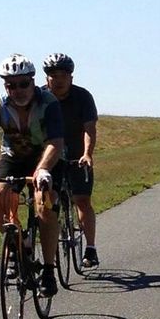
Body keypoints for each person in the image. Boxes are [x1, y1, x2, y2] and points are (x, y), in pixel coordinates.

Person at [0, 54, 65, 294]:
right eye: (11, 85)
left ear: (32, 81)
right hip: (14, 158)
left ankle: (49, 269)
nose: (18, 90)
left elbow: (56, 141)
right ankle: (19, 246)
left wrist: (43, 169)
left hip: (46, 157)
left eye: (23, 84)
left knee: (45, 205)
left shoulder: (48, 102)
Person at [42, 52, 101, 268]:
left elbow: (89, 129)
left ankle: (90, 248)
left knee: (82, 200)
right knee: (47, 201)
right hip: (51, 154)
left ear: (71, 78)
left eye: (64, 76)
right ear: (47, 78)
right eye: (54, 76)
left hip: (77, 153)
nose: (59, 80)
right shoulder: (40, 97)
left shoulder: (82, 97)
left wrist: (87, 154)